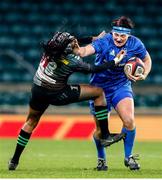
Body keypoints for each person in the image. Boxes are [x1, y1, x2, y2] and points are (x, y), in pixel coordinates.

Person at [8, 32, 126, 170]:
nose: (74, 39)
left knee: (30, 122)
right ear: (68, 49)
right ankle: (105, 135)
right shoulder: (71, 61)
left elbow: (74, 40)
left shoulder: (50, 49)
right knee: (98, 93)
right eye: (71, 41)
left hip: (38, 90)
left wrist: (94, 39)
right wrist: (115, 61)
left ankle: (14, 160)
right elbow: (93, 69)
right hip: (57, 93)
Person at [75, 16, 152, 170]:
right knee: (100, 131)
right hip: (99, 90)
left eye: (122, 36)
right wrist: (76, 48)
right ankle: (101, 159)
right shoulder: (104, 41)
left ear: (128, 35)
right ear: (113, 32)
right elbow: (84, 52)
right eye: (116, 34)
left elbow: (147, 59)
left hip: (120, 86)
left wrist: (144, 74)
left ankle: (128, 157)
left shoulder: (135, 44)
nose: (118, 38)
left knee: (129, 120)